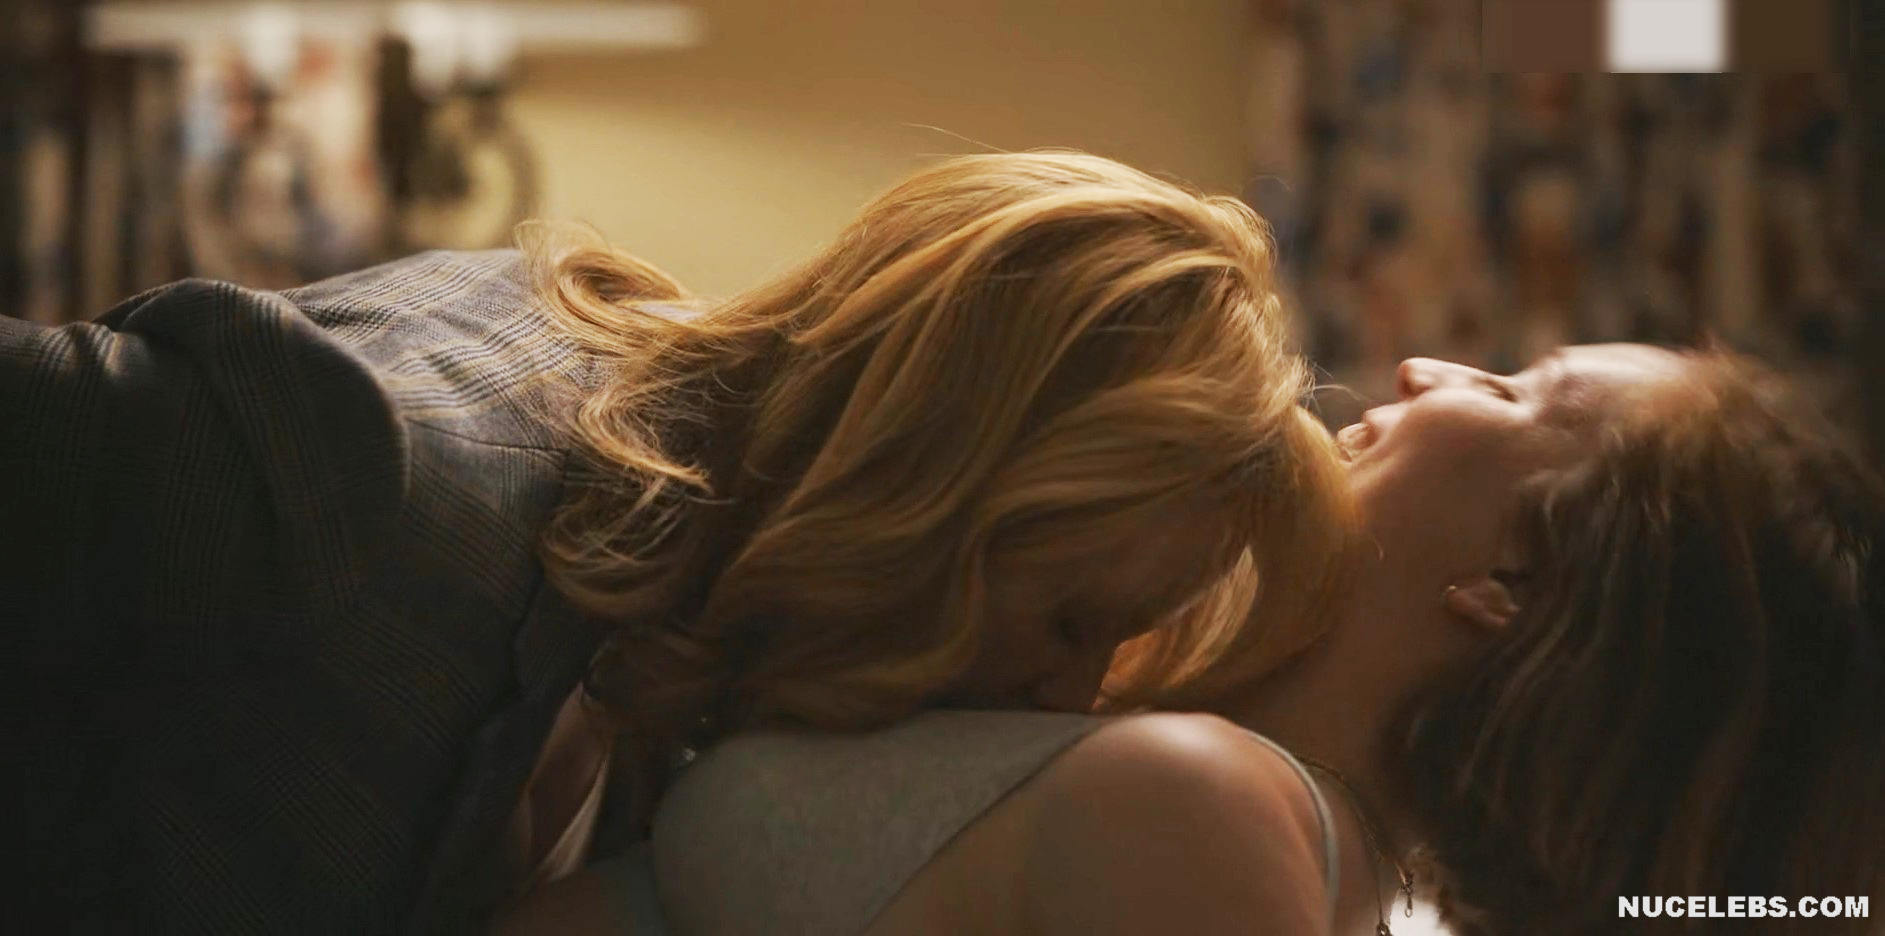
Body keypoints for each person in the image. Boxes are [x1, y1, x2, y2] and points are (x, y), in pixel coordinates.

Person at [1, 150, 1351, 931]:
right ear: (931, 478)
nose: (1069, 697)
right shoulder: (379, 462)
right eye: (1069, 619)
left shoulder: (691, 656)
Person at [500, 344, 1882, 935]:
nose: (1424, 370)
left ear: (1512, 584)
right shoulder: (1152, 728)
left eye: (1516, 391)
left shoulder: (1204, 813)